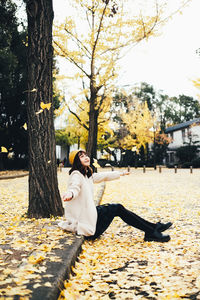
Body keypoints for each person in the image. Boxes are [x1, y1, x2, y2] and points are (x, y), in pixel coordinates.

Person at [58, 149, 172, 242]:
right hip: (87, 225)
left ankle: (153, 228)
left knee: (118, 207)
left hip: (89, 216)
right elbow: (74, 187)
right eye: (81, 156)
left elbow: (104, 176)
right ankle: (151, 230)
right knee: (117, 208)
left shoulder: (87, 175)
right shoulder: (76, 175)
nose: (86, 157)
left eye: (85, 155)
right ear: (76, 161)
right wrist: (70, 194)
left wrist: (121, 173)